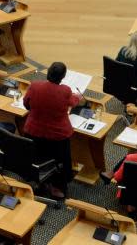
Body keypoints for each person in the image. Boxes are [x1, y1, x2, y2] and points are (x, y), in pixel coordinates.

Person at [23, 61, 80, 198]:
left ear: (48, 72)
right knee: (61, 160)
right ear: (63, 76)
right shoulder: (65, 90)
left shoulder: (34, 86)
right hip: (57, 136)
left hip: (33, 132)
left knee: (36, 156)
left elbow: (26, 104)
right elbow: (73, 102)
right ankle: (58, 186)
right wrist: (78, 98)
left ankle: (37, 180)